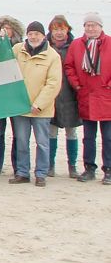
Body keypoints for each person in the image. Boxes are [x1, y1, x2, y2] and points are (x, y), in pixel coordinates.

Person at [10, 21, 62, 187]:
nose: (33, 37)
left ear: (43, 35)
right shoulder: (18, 49)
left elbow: (53, 83)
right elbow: (2, 59)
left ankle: (41, 174)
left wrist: (39, 104)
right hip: (20, 106)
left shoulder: (52, 55)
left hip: (41, 109)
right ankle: (22, 172)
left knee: (42, 143)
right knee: (22, 142)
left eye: (37, 34)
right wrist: (2, 38)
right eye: (30, 34)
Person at [64, 13, 111, 184]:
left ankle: (109, 170)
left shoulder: (109, 43)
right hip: (86, 96)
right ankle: (89, 168)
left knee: (108, 136)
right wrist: (77, 85)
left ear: (100, 26)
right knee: (88, 136)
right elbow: (69, 66)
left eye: (94, 25)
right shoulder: (77, 44)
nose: (90, 28)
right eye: (87, 25)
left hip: (106, 96)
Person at [0, 15, 24, 175]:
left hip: (15, 96)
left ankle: (18, 166)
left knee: (18, 134)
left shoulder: (22, 47)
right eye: (2, 28)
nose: (5, 31)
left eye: (8, 28)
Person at [47, 15, 81, 178]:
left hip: (70, 95)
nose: (59, 33)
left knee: (71, 132)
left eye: (62, 29)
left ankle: (72, 166)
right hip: (51, 95)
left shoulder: (75, 46)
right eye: (55, 29)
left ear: (67, 29)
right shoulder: (45, 46)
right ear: (51, 31)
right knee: (51, 132)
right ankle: (50, 165)